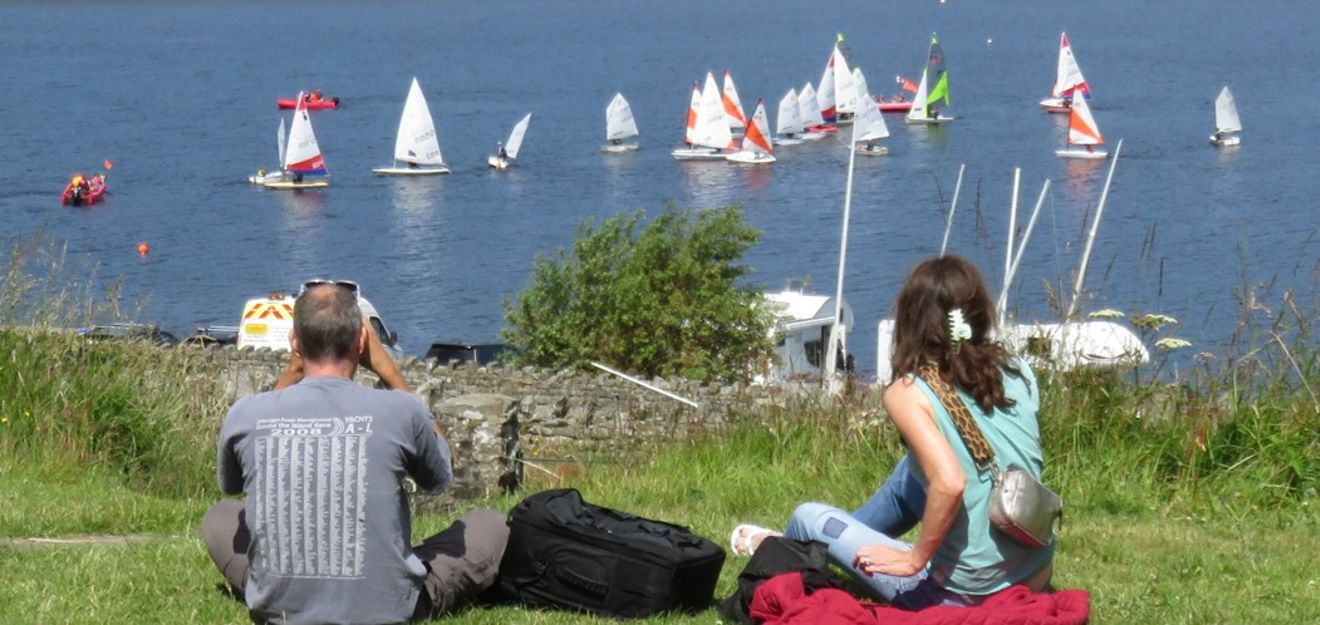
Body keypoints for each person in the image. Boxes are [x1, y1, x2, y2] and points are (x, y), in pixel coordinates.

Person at [731, 256, 1054, 611]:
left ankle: (791, 552)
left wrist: (914, 558)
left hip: (964, 595)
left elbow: (950, 481)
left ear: (912, 319)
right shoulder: (1016, 369)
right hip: (1034, 573)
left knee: (809, 516)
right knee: (910, 471)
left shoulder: (909, 392)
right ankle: (832, 545)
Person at [202, 283, 508, 624]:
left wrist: (290, 373)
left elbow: (232, 485)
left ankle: (275, 589)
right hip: (389, 609)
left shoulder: (246, 413)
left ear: (295, 344)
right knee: (489, 525)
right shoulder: (402, 410)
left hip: (283, 609)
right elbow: (441, 475)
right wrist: (390, 372)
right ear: (362, 342)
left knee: (220, 517)